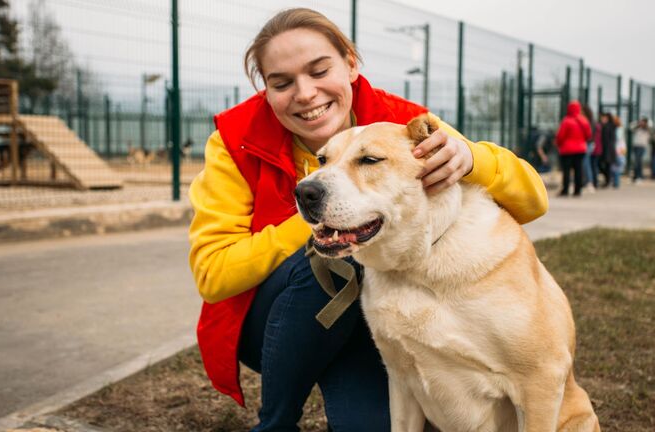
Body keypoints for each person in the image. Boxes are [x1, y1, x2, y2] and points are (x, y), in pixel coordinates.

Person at [187, 8, 549, 431]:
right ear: (264, 89)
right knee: (323, 258)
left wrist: (473, 159)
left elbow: (533, 201)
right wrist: (320, 219)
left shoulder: (401, 123)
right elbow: (212, 275)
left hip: (373, 319)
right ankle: (275, 423)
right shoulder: (236, 140)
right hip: (275, 324)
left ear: (351, 64)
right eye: (281, 83)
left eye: (319, 70)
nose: (305, 93)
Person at [554, 100, 591, 196]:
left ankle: (565, 190)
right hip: (581, 149)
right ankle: (577, 190)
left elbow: (560, 136)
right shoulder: (584, 120)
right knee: (578, 169)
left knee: (566, 170)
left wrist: (558, 144)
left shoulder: (566, 121)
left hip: (567, 150)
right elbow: (588, 135)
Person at [581, 104, 597, 193]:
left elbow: (589, 135)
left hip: (588, 144)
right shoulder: (590, 121)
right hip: (588, 144)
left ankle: (589, 182)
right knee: (585, 164)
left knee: (586, 164)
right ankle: (587, 182)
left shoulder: (588, 121)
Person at [629, 117, 651, 183]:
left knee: (638, 161)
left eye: (642, 121)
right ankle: (637, 176)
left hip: (642, 146)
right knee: (637, 161)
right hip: (636, 146)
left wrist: (644, 125)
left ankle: (639, 176)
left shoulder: (647, 129)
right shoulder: (637, 128)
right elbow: (630, 127)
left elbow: (649, 135)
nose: (641, 123)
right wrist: (637, 124)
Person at [598, 112, 616, 188]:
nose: (602, 119)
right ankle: (608, 180)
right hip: (609, 148)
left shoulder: (606, 126)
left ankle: (608, 181)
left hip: (607, 149)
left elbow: (605, 139)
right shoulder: (611, 126)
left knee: (605, 165)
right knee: (606, 166)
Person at [610, 115, 626, 188]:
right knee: (617, 166)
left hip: (617, 149)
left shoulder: (617, 129)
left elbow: (617, 139)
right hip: (620, 149)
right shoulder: (621, 129)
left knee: (615, 166)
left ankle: (615, 182)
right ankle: (616, 182)